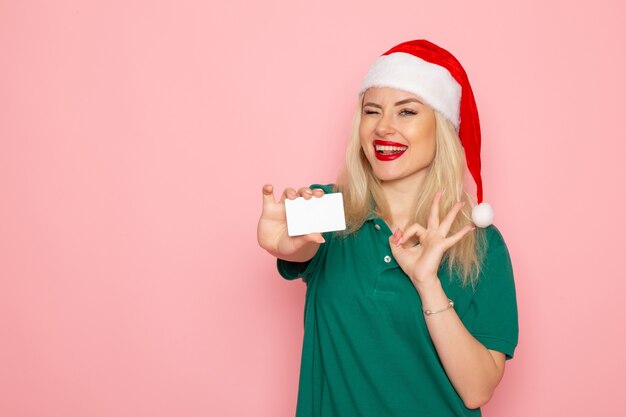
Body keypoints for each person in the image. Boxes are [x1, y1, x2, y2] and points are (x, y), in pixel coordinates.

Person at [257, 39, 518, 417]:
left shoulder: (479, 244)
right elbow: (298, 245)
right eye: (372, 111)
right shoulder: (330, 208)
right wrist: (282, 242)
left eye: (407, 112)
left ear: (443, 127)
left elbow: (477, 390)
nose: (383, 127)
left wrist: (428, 284)